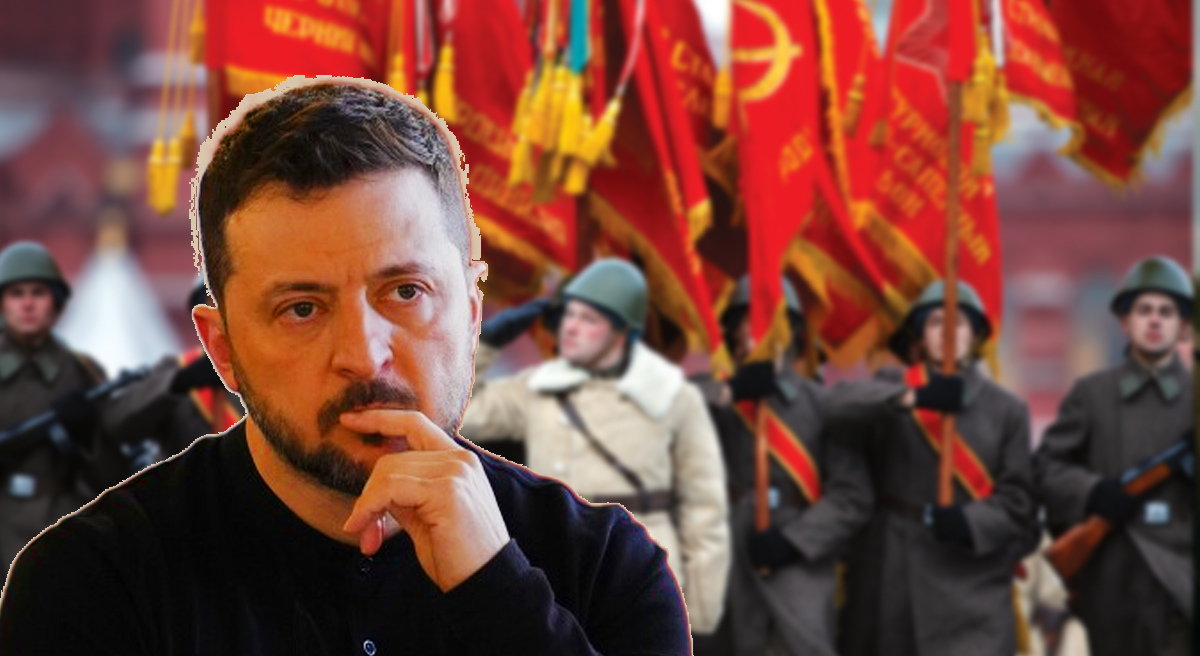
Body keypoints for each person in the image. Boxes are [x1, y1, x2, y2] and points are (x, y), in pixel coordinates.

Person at [0, 78, 690, 654]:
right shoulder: (93, 583)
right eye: (302, 309)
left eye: (406, 293)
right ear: (223, 350)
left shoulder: (605, 572)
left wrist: (496, 591)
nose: (363, 355)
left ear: (473, 314)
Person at [459, 257, 732, 635]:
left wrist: (701, 613)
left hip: (640, 574)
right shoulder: (539, 387)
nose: (571, 327)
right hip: (556, 562)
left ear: (622, 333)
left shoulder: (674, 397)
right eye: (569, 314)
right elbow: (462, 411)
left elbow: (704, 507)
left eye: (589, 319)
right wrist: (488, 341)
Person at [827, 280, 1036, 656]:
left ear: (976, 335)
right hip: (894, 573)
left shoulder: (1007, 409)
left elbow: (1019, 501)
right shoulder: (893, 386)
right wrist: (914, 397)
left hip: (972, 579)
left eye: (959, 323)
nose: (948, 332)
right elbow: (835, 405)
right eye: (936, 322)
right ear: (920, 336)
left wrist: (970, 522)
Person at [691, 276, 872, 656]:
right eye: (749, 320)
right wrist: (732, 391)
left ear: (793, 332)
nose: (761, 331)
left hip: (798, 561)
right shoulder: (713, 396)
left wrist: (794, 541)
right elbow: (668, 406)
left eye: (773, 320)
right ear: (733, 332)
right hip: (725, 553)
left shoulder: (822, 404)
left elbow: (851, 496)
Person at [1034, 255, 1193, 656]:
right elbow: (1046, 468)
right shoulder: (1091, 395)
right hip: (1113, 585)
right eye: (1144, 310)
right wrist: (1092, 491)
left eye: (1166, 312)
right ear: (1124, 321)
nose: (1155, 320)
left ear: (1183, 327)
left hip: (1182, 585)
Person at [0, 241, 127, 576]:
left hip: (60, 519)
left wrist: (88, 435)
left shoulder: (81, 373)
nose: (28, 304)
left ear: (54, 301)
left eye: (38, 293)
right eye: (16, 294)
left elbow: (113, 476)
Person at [99, 275, 244, 465]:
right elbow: (114, 425)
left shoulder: (272, 367)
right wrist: (178, 382)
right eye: (210, 305)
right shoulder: (178, 369)